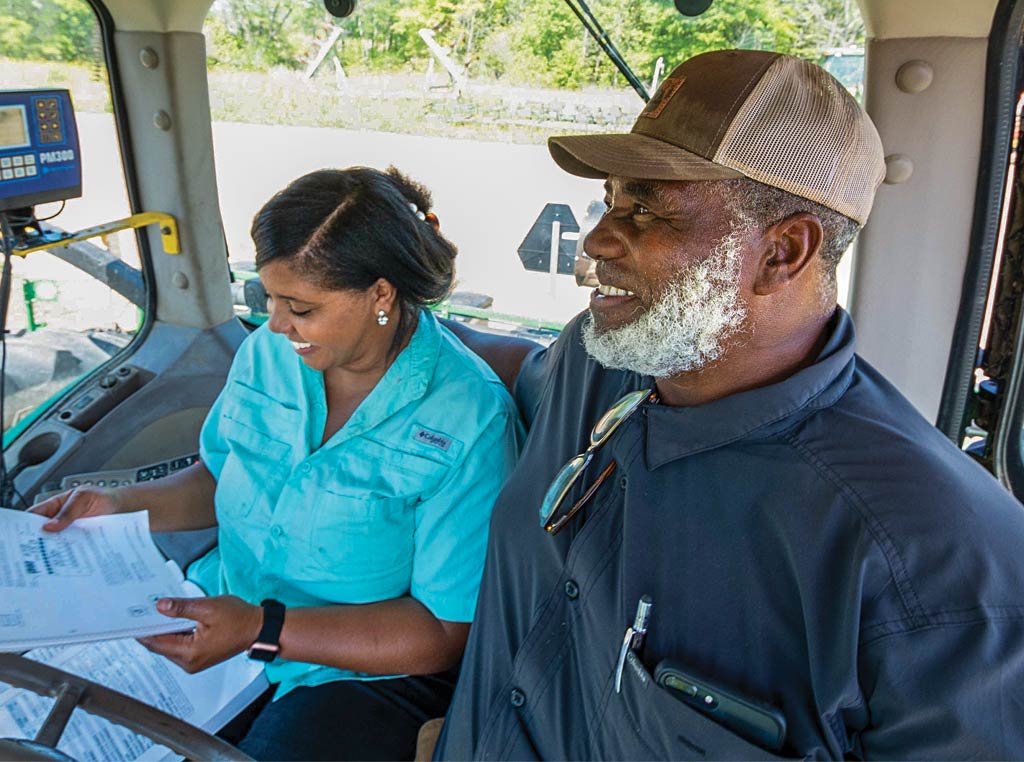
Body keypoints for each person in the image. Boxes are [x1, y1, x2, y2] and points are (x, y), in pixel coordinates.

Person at [435, 49, 1024, 759]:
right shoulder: (591, 363)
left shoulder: (938, 570)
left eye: (648, 209)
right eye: (614, 198)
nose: (596, 238)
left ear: (784, 253)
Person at [34, 166, 522, 761]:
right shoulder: (271, 353)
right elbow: (221, 476)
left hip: (355, 673)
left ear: (381, 295)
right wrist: (118, 504)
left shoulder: (471, 420)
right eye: (267, 299)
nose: (275, 323)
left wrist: (264, 630)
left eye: (300, 307)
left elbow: (442, 632)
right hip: (224, 610)